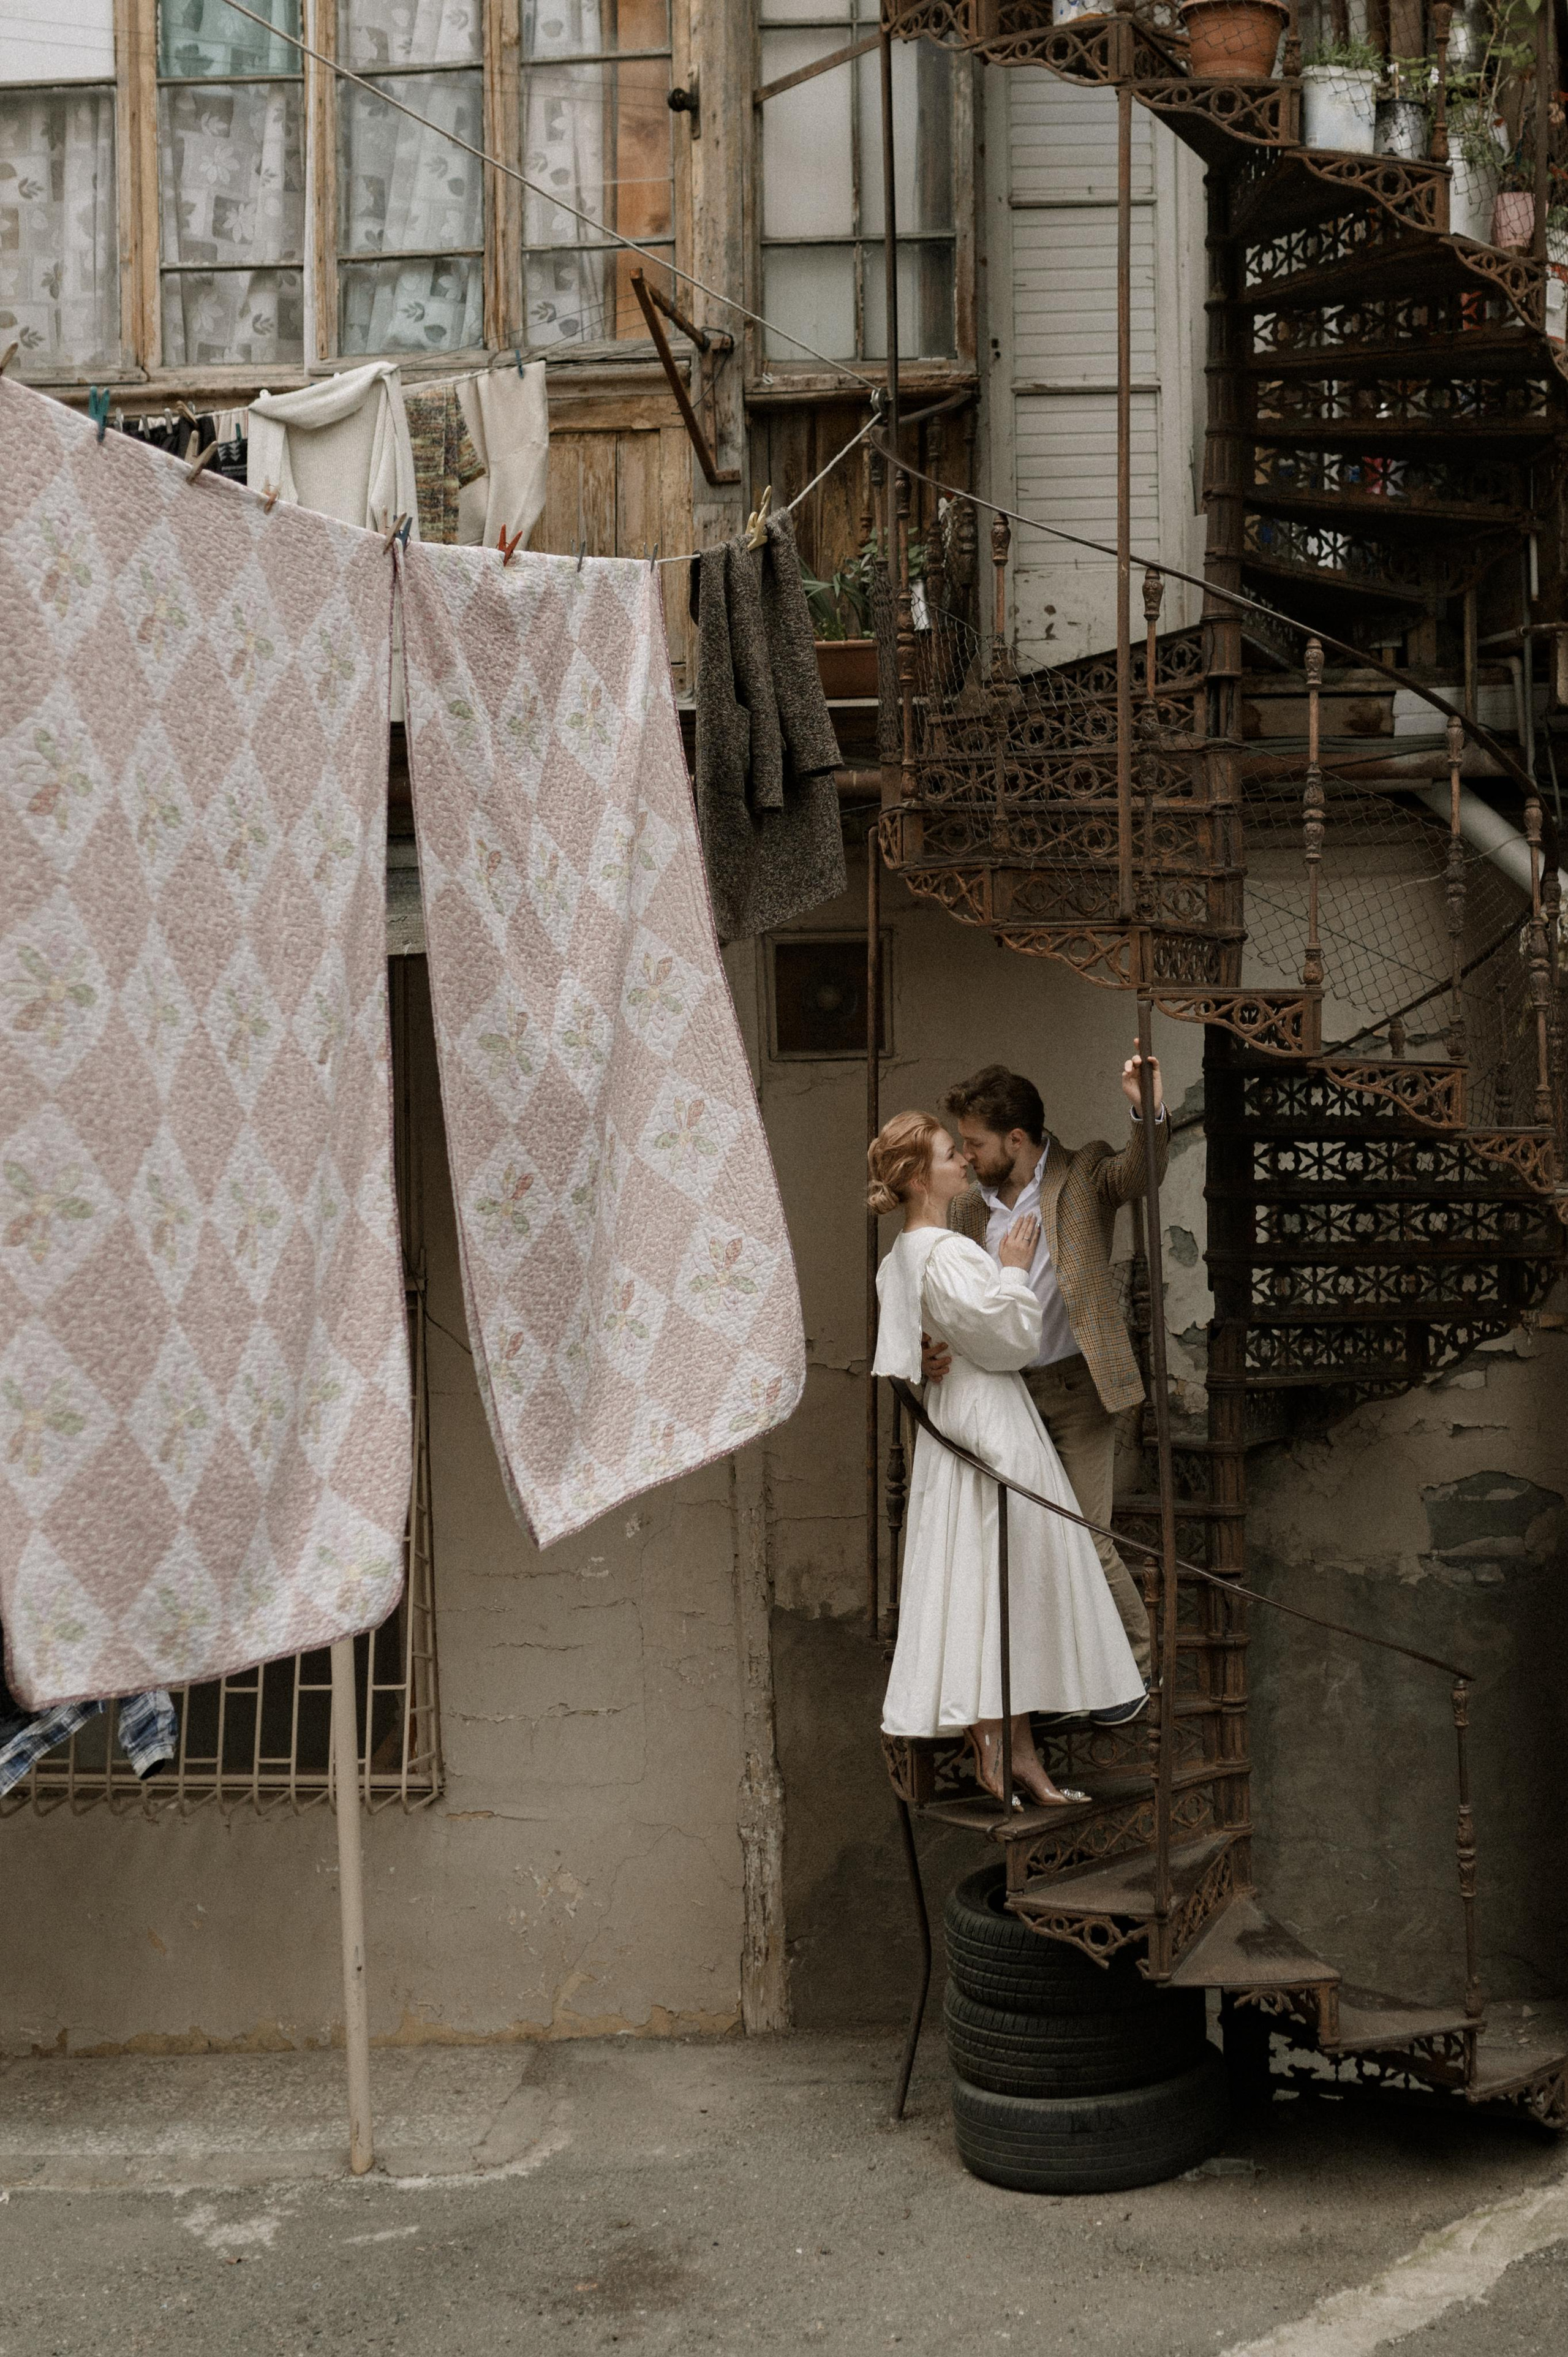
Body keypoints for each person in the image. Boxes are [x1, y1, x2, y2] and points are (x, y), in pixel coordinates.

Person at [870, 1111, 1145, 1805]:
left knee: (1003, 1581)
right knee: (1009, 1578)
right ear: (917, 1178)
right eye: (947, 1154)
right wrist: (1015, 1274)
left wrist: (931, 1355)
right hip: (992, 1419)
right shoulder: (949, 1252)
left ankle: (1018, 1751)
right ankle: (994, 1740)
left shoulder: (898, 1259)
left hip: (955, 1420)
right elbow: (1012, 1343)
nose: (962, 1161)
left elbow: (902, 1355)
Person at [924, 1053, 1167, 1723]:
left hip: (1078, 1388)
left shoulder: (1082, 1172)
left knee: (1085, 1534)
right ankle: (1060, 1682)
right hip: (1005, 1393)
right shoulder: (965, 1207)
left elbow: (1140, 1171)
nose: (966, 1156)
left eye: (974, 1143)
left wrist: (1146, 1107)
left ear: (1016, 1139)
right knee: (1027, 1544)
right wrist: (927, 1346)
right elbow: (948, 1293)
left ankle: (1138, 1672)